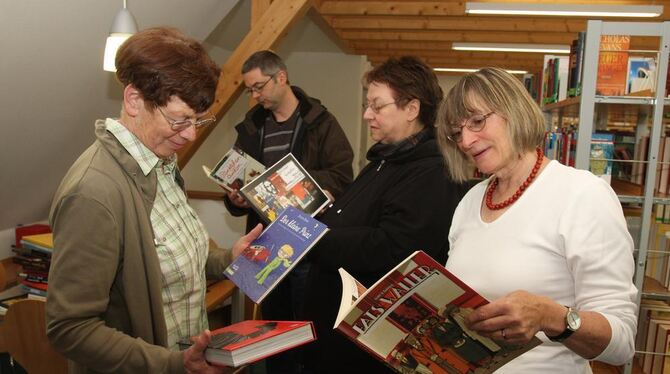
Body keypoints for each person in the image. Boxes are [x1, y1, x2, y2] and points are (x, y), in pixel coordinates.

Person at [46, 27, 262, 373]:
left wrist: (226, 259)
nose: (190, 134)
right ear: (134, 101)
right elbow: (70, 329)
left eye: (197, 121)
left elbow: (173, 260)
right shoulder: (93, 193)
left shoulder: (161, 163)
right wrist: (174, 364)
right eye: (179, 120)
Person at [436, 67, 638, 373]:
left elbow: (621, 343)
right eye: (456, 132)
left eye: (477, 121)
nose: (465, 140)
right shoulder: (470, 201)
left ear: (514, 111)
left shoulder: (582, 195)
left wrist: (551, 316)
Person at [303, 56, 466, 373]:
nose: (366, 115)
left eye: (377, 106)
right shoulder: (384, 160)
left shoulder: (432, 172)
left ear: (412, 109)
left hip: (367, 349)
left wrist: (314, 239)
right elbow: (363, 220)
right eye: (368, 105)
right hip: (338, 334)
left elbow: (393, 248)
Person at [223, 50, 354, 373]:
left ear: (281, 77)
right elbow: (238, 181)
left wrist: (300, 186)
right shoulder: (251, 128)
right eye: (249, 90)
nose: (254, 96)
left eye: (258, 87)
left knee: (306, 327)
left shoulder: (321, 122)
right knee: (272, 330)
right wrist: (236, 199)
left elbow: (341, 175)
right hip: (265, 247)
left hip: (307, 245)